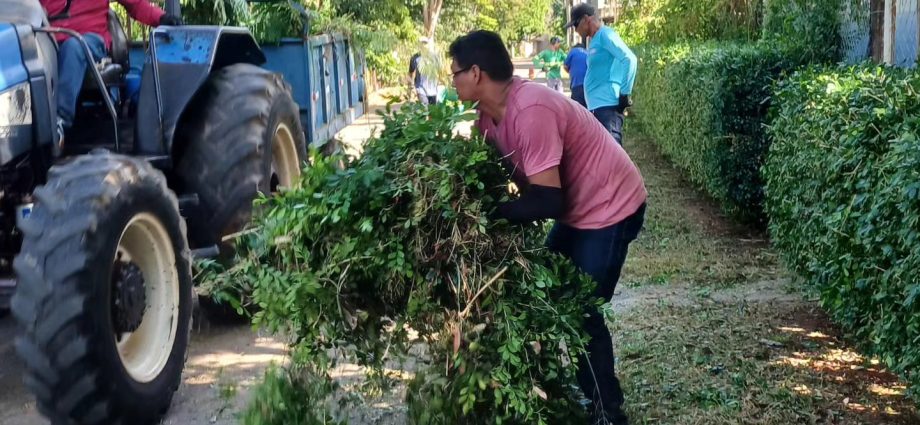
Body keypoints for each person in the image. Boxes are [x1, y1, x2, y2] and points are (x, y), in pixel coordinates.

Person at [449, 30, 647, 425]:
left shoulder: (531, 110)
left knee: (579, 308)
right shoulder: (488, 119)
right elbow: (499, 176)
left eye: (454, 72)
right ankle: (567, 388)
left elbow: (546, 201)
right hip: (577, 211)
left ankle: (608, 412)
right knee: (539, 292)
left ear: (476, 73)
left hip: (612, 206)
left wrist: (490, 215)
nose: (450, 80)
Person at [40, 0, 180, 133]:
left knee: (73, 47)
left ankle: (59, 123)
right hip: (48, 39)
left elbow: (136, 5)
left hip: (87, 39)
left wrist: (161, 18)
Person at [566, 4, 637, 145]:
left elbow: (629, 59)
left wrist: (624, 94)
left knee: (612, 155)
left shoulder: (605, 35)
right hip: (598, 107)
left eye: (575, 24)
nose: (575, 30)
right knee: (604, 156)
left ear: (586, 19)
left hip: (607, 107)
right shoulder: (595, 40)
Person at [408, 37, 441, 106]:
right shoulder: (415, 58)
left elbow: (438, 72)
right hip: (421, 89)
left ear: (428, 45)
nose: (424, 45)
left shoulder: (434, 57)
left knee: (433, 112)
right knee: (424, 111)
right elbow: (411, 73)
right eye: (422, 43)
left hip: (433, 90)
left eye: (425, 43)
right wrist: (412, 87)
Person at [564, 41, 589, 108]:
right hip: (589, 85)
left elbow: (565, 66)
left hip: (576, 84)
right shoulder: (588, 52)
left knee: (577, 109)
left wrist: (570, 72)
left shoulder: (573, 51)